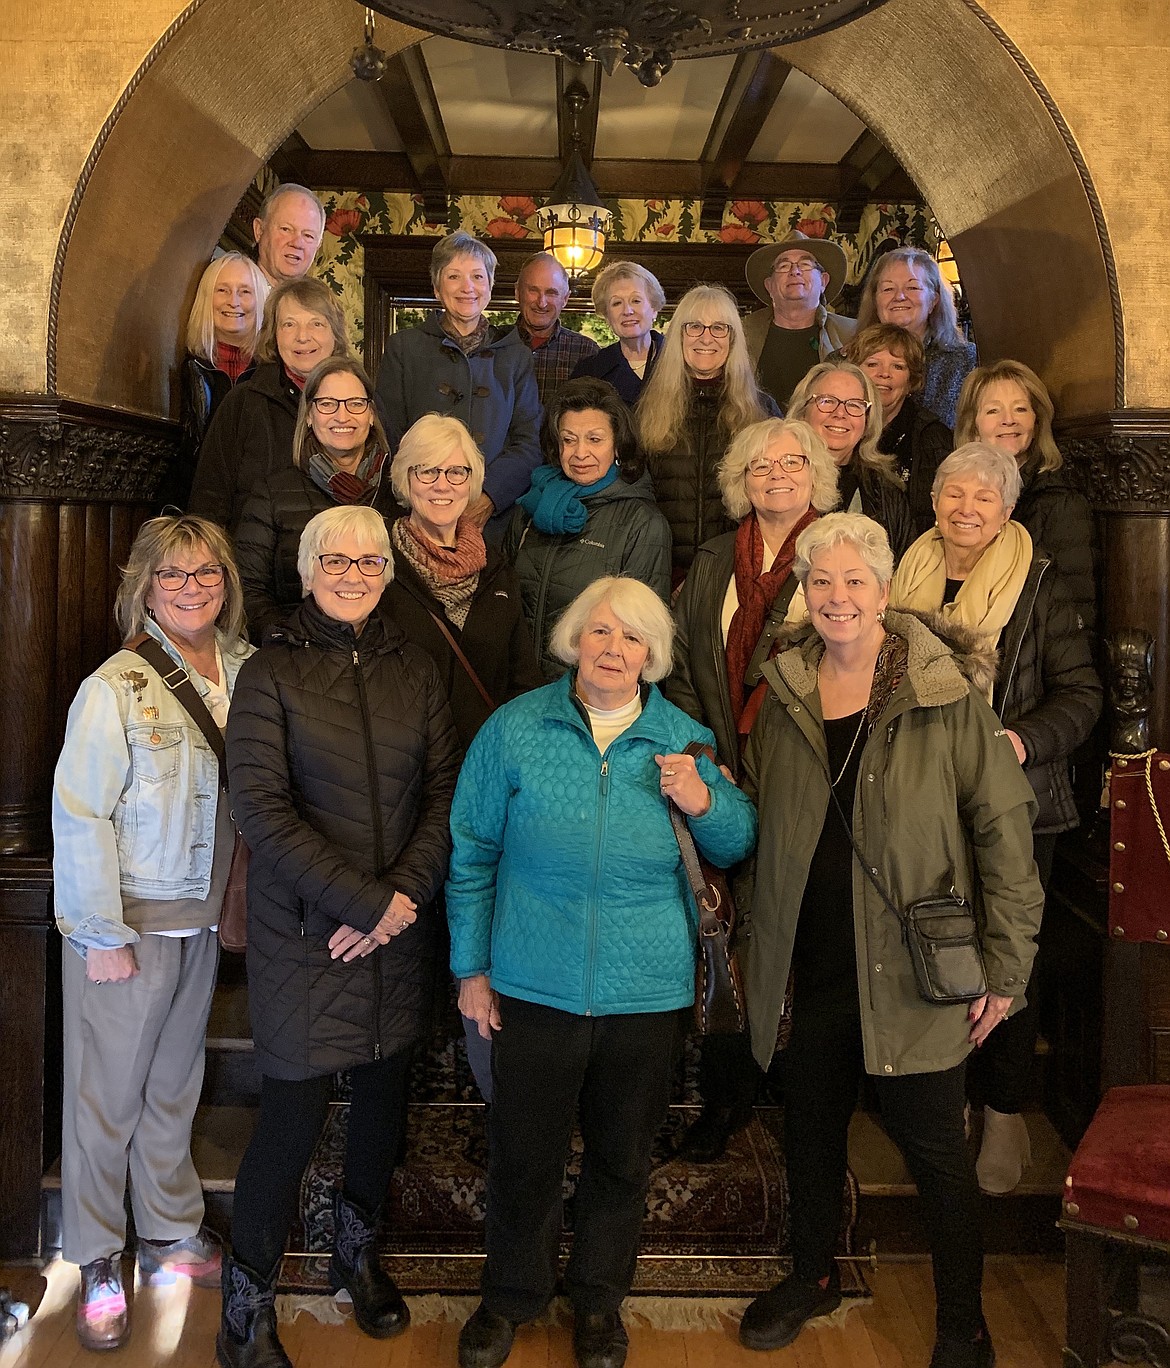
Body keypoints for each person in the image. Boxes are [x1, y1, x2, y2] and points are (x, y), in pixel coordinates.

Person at [738, 511, 1044, 1367]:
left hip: (915, 971)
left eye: (854, 581)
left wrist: (1007, 970)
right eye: (821, 581)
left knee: (937, 1153)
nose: (837, 597)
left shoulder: (944, 696)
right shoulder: (787, 690)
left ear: (883, 590)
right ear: (805, 591)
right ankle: (813, 1276)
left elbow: (1006, 836)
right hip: (814, 965)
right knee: (809, 1131)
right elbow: (764, 823)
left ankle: (961, 1321)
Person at [448, 577, 757, 1368]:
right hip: (532, 983)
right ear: (574, 642)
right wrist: (471, 969)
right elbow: (473, 853)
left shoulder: (683, 739)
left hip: (644, 993)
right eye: (600, 633)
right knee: (525, 1154)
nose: (614, 650)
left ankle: (597, 1303)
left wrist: (704, 800)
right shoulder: (515, 729)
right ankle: (510, 1298)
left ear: (652, 656)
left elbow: (735, 844)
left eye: (632, 639)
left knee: (622, 1157)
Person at [218, 505, 460, 1368]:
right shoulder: (268, 672)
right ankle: (245, 1307)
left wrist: (400, 898)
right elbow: (262, 811)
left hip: (395, 928)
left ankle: (354, 1253)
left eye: (369, 560)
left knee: (381, 1111)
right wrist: (361, 904)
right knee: (289, 1124)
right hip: (308, 935)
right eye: (336, 559)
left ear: (388, 572)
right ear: (309, 566)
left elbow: (444, 795)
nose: (353, 573)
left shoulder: (417, 668)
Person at [52, 515, 253, 1352]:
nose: (192, 587)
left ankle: (169, 1227)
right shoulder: (116, 686)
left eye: (207, 573)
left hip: (203, 915)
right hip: (129, 919)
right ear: (145, 586)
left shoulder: (246, 670)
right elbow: (80, 812)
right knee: (106, 1098)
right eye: (173, 575)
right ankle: (99, 1254)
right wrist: (101, 931)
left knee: (174, 1082)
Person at [889, 444, 1101, 1196]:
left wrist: (1018, 740)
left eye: (984, 497)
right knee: (931, 942)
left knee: (1004, 955)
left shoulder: (1040, 584)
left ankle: (1004, 1105)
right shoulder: (902, 573)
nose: (966, 508)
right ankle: (939, 1100)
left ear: (1007, 509)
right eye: (953, 494)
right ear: (936, 502)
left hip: (1013, 801)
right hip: (918, 800)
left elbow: (1082, 695)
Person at [665, 417, 838, 1163]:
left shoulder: (841, 549)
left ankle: (807, 1093)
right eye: (761, 464)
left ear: (815, 474)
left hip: (807, 767)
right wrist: (708, 755)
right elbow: (678, 657)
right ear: (741, 477)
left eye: (793, 462)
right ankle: (726, 1097)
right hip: (725, 770)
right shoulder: (711, 559)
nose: (777, 474)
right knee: (728, 935)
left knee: (805, 930)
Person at [381, 413, 543, 1101]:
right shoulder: (380, 566)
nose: (442, 485)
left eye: (456, 472)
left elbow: (522, 678)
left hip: (484, 780)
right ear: (404, 482)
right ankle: (407, 1073)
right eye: (427, 472)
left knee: (482, 918)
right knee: (414, 922)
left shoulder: (497, 565)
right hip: (405, 780)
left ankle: (492, 1085)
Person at [375, 231, 541, 540]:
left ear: (490, 286)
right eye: (454, 276)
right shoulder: (403, 348)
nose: (468, 288)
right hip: (417, 513)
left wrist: (488, 496)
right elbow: (389, 432)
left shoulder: (516, 356)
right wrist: (429, 495)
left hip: (492, 522)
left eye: (478, 276)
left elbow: (529, 442)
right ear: (437, 288)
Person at [503, 376, 672, 679]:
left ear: (618, 446)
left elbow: (642, 635)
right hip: (518, 688)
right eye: (569, 439)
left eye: (595, 439)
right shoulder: (530, 509)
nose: (580, 453)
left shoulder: (642, 523)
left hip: (589, 693)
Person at [235, 356, 395, 640]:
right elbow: (248, 589)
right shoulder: (271, 494)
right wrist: (288, 641)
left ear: (371, 414)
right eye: (327, 404)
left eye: (355, 403)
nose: (342, 416)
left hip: (383, 657)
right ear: (309, 415)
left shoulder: (396, 491)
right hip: (297, 659)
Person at [637, 283, 781, 586]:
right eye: (695, 326)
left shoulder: (761, 410)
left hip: (735, 576)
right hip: (660, 574)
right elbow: (636, 498)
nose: (706, 337)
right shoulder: (646, 408)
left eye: (719, 328)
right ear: (679, 335)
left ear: (733, 339)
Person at [189, 277, 353, 533]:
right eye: (289, 324)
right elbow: (209, 501)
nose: (302, 337)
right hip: (251, 562)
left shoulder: (362, 404)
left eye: (316, 324)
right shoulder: (242, 402)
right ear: (273, 334)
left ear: (336, 334)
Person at [955, 358, 1097, 631]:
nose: (1008, 420)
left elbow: (1075, 613)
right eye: (993, 411)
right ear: (973, 427)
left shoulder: (1062, 503)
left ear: (1036, 421)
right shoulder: (957, 499)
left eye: (1020, 409)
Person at [163, 253, 271, 510]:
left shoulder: (273, 374)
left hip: (259, 510)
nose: (233, 301)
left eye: (245, 291)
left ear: (261, 302)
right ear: (206, 299)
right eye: (222, 290)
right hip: (197, 507)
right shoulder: (186, 369)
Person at [788, 361, 914, 560]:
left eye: (854, 405)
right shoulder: (777, 477)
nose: (840, 414)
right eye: (827, 401)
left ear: (867, 420)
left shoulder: (886, 491)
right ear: (803, 412)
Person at [844, 322, 952, 535]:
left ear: (912, 380)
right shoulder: (838, 426)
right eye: (873, 364)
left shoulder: (932, 437)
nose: (884, 374)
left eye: (898, 366)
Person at [855, 246, 976, 428]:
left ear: (933, 300)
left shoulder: (966, 361)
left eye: (912, 287)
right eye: (888, 289)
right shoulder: (847, 360)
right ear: (875, 300)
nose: (900, 296)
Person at [743, 229, 859, 410]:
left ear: (823, 281)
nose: (794, 271)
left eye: (805, 264)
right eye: (783, 266)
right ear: (769, 286)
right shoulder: (741, 334)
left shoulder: (854, 335)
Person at [571, 260, 665, 405]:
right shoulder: (589, 372)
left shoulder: (682, 361)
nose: (627, 311)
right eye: (616, 303)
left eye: (636, 300)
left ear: (654, 309)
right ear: (607, 316)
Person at [513, 252, 599, 404]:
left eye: (551, 293)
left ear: (565, 299)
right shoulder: (493, 344)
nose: (542, 303)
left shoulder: (586, 352)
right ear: (517, 292)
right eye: (533, 290)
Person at [252, 182, 326, 286]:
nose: (297, 243)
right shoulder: (231, 293)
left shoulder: (320, 301)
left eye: (308, 235)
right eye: (286, 229)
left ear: (318, 246)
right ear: (259, 230)